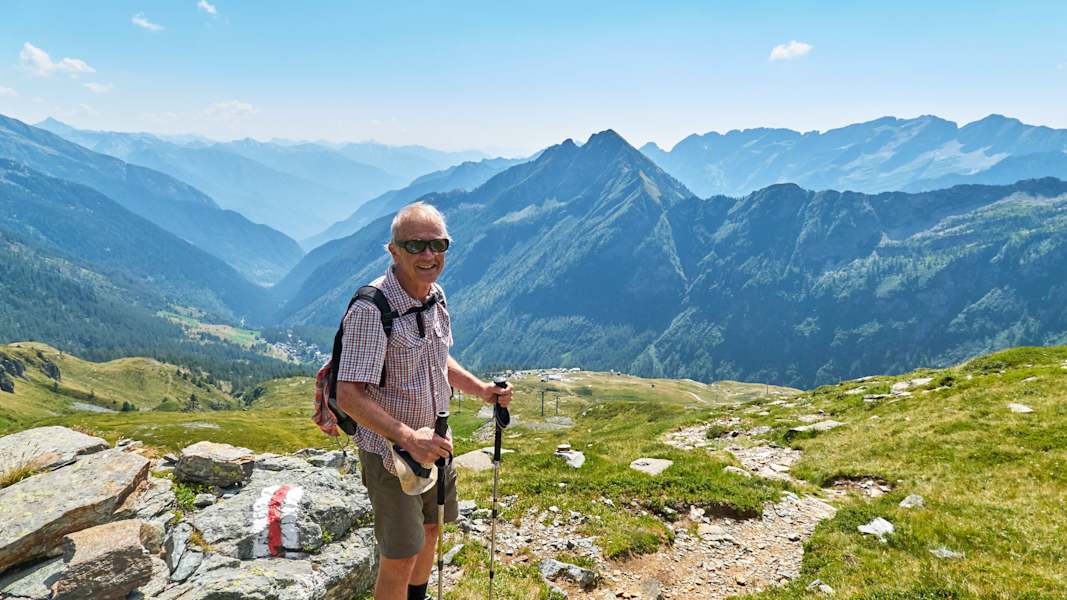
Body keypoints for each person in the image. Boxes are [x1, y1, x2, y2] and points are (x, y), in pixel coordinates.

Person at [335, 201, 514, 600]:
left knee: (432, 529)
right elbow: (348, 394)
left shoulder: (435, 296)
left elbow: (437, 359)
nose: (429, 254)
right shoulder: (372, 308)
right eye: (415, 245)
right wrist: (407, 437)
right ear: (394, 251)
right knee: (400, 556)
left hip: (434, 443)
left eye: (438, 244)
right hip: (391, 453)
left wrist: (481, 390)